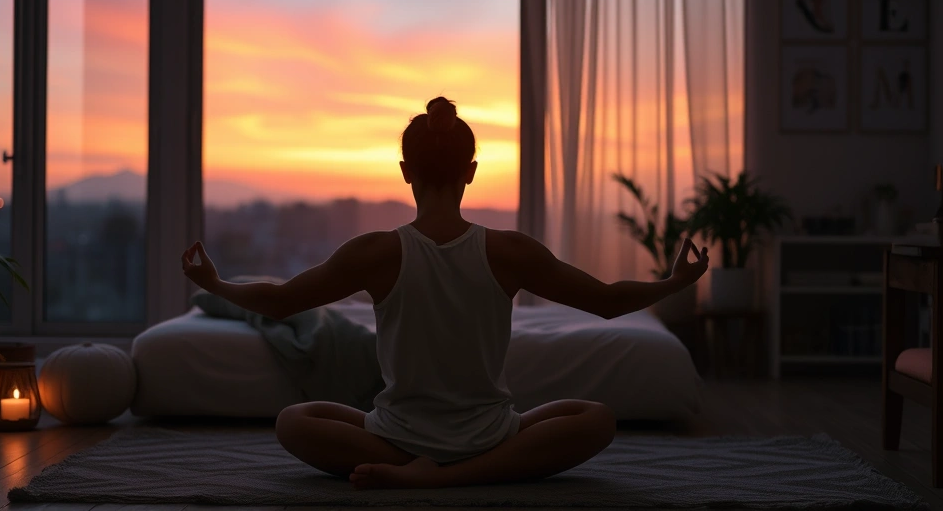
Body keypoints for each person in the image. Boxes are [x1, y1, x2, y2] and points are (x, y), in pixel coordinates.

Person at [181, 97, 709, 490]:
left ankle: (422, 474)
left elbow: (280, 302)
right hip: (492, 436)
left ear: (406, 172)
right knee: (597, 418)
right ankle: (469, 475)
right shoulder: (508, 250)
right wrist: (675, 282)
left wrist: (216, 284)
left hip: (394, 437)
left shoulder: (376, 252)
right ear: (471, 173)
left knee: (293, 422)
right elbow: (608, 301)